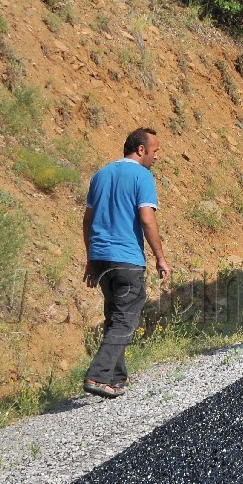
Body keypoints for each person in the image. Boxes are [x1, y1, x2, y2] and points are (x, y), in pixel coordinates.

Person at [81, 127, 171, 398]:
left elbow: (87, 219)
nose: (156, 157)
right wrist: (160, 257)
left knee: (115, 316)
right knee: (125, 320)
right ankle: (97, 376)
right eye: (155, 151)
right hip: (126, 258)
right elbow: (146, 219)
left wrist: (90, 258)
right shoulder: (142, 176)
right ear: (141, 149)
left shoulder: (101, 175)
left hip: (100, 258)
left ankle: (116, 379)